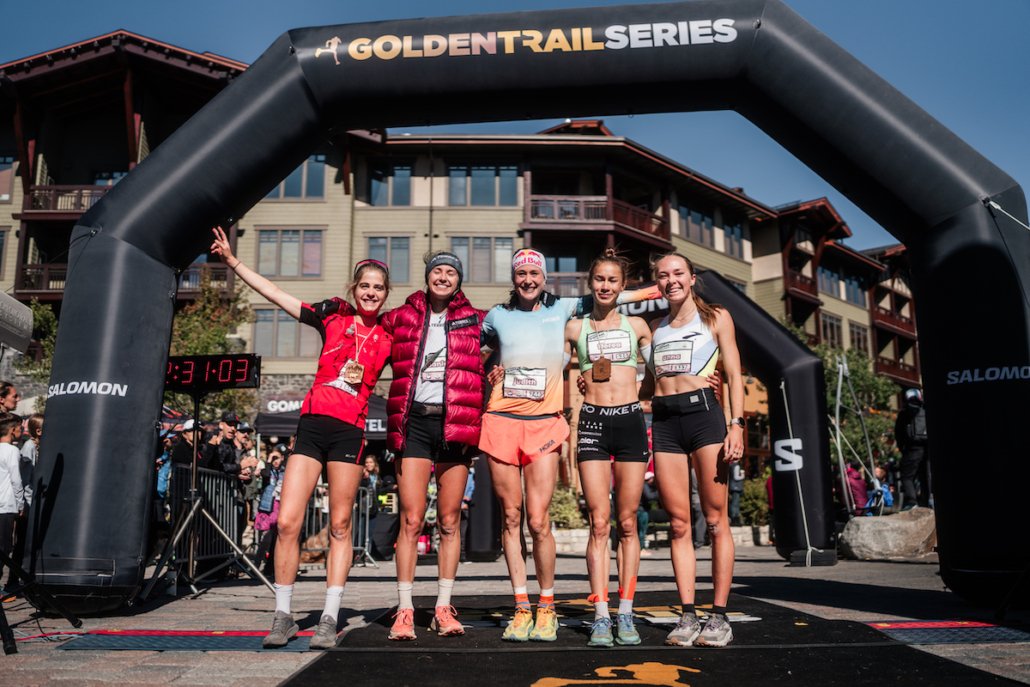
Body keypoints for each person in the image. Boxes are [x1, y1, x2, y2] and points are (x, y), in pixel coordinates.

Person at [211, 226, 393, 651]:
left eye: (378, 288)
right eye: (365, 286)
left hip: (351, 431)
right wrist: (233, 262)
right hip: (311, 426)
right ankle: (283, 616)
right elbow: (276, 294)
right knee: (289, 521)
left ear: (386, 294)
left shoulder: (389, 334)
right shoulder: (333, 315)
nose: (371, 293)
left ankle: (329, 618)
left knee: (341, 525)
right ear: (354, 287)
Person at [480, 248, 659, 643]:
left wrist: (658, 287)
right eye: (521, 272)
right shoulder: (497, 316)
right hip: (501, 418)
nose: (528, 279)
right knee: (511, 518)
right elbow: (472, 350)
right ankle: (522, 607)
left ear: (544, 277)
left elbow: (612, 297)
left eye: (534, 272)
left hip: (546, 421)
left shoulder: (564, 311)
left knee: (539, 520)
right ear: (514, 278)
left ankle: (547, 607)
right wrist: (489, 366)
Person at [379, 251, 486, 640]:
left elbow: (517, 336)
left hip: (455, 423)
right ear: (427, 277)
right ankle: (405, 610)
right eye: (438, 271)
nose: (443, 277)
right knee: (410, 519)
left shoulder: (476, 319)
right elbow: (366, 321)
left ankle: (443, 607)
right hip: (415, 424)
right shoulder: (403, 315)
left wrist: (495, 369)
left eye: (451, 272)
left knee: (449, 520)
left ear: (459, 280)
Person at [647, 252, 745, 648]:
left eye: (678, 273)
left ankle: (719, 617)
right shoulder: (654, 327)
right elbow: (645, 389)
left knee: (716, 519)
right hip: (665, 421)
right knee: (677, 523)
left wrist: (736, 425)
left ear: (691, 278)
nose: (671, 280)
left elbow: (735, 374)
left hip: (706, 418)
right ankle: (687, 615)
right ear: (657, 283)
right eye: (663, 276)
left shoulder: (716, 317)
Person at [564, 249, 652, 647]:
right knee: (600, 523)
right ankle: (601, 615)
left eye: (612, 280)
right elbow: (554, 368)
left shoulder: (638, 326)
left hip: (631, 422)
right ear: (591, 283)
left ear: (623, 286)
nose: (605, 286)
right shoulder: (574, 328)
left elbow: (660, 374)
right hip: (594, 423)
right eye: (599, 279)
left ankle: (626, 611)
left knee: (629, 522)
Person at [13, 413, 42, 571]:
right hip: (27, 504)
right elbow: (24, 480)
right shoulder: (29, 448)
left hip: (31, 502)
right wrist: (25, 504)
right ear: (38, 431)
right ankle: (13, 580)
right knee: (21, 542)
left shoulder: (37, 447)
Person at [894, 388, 930, 510]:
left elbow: (898, 432)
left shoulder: (904, 412)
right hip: (927, 448)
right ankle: (926, 501)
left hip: (912, 448)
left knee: (907, 476)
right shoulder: (925, 410)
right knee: (925, 476)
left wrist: (902, 448)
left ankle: (912, 502)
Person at [0, 414, 23, 595]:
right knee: (5, 548)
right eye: (20, 427)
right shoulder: (12, 451)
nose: (22, 430)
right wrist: (21, 503)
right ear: (12, 430)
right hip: (6, 506)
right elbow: (16, 480)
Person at [637, 470, 659, 555]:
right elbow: (649, 496)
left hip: (641, 510)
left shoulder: (642, 485)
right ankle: (641, 549)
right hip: (642, 511)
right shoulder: (645, 486)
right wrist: (659, 493)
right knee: (642, 530)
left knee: (640, 530)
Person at [728, 461, 745, 526]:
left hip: (733, 487)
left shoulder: (731, 465)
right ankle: (735, 519)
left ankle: (734, 519)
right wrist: (742, 475)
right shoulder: (736, 466)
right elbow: (736, 477)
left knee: (734, 503)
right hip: (736, 487)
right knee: (735, 504)